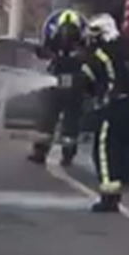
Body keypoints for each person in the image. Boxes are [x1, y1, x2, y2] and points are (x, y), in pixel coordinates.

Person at [80, 13, 129, 214]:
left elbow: (86, 80)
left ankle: (109, 197)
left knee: (104, 150)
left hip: (113, 108)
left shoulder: (99, 54)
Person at [28, 8, 88, 166]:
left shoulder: (80, 48)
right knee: (58, 119)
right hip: (63, 84)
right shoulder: (72, 45)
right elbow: (42, 52)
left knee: (55, 119)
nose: (66, 36)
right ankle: (57, 152)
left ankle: (48, 152)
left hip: (65, 84)